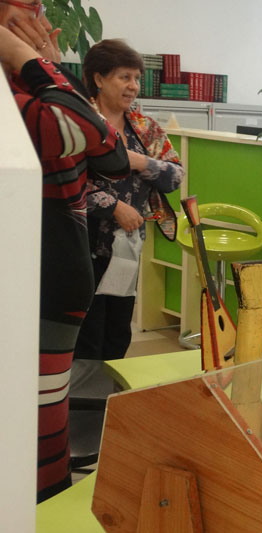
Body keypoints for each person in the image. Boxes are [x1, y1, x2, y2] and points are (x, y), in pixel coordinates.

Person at [0, 4, 129, 501]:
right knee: (27, 438)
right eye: (23, 7)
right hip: (28, 283)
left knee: (46, 433)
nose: (36, 15)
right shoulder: (21, 88)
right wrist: (27, 56)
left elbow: (113, 155)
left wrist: (42, 66)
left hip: (55, 282)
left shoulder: (35, 84)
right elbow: (83, 130)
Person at [74, 39, 185, 361]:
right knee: (86, 337)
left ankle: (112, 391)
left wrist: (140, 162)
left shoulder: (144, 128)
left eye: (136, 78)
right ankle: (86, 394)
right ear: (99, 78)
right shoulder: (81, 122)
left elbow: (175, 176)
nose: (133, 86)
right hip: (83, 244)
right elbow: (64, 182)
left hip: (128, 247)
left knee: (118, 332)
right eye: (124, 77)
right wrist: (113, 207)